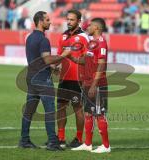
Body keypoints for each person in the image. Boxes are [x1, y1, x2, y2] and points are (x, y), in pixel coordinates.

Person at [19, 11, 70, 151]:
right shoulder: (43, 39)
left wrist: (52, 67)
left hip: (31, 78)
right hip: (42, 79)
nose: (50, 22)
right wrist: (63, 55)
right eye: (47, 20)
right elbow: (47, 59)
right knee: (49, 111)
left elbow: (39, 59)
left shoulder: (29, 37)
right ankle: (53, 142)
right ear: (40, 21)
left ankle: (24, 140)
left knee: (29, 111)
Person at [70, 18, 111, 153]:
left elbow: (101, 64)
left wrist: (94, 84)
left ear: (97, 28)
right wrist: (73, 58)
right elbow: (87, 60)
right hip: (88, 83)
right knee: (88, 113)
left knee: (99, 114)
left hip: (97, 84)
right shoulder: (91, 43)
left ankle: (106, 146)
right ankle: (87, 144)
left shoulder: (101, 43)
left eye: (91, 25)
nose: (87, 26)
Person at [56, 9, 89, 148]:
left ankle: (78, 138)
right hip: (64, 78)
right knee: (60, 107)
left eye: (72, 20)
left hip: (77, 79)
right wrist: (56, 66)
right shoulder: (62, 36)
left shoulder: (84, 37)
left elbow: (88, 59)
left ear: (79, 21)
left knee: (77, 108)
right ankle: (61, 138)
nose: (69, 22)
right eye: (68, 19)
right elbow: (59, 55)